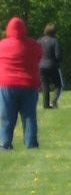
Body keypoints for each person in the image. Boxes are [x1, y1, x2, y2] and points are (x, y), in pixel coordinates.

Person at [0, 16, 42, 149]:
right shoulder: (34, 45)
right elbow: (39, 55)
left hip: (7, 84)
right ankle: (31, 143)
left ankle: (5, 143)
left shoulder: (2, 45)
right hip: (29, 84)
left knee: (7, 116)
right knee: (29, 115)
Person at [38, 23, 64, 110]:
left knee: (45, 85)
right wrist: (59, 61)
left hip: (41, 66)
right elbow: (58, 55)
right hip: (52, 65)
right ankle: (54, 101)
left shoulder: (40, 40)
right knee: (58, 85)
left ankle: (46, 104)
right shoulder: (55, 41)